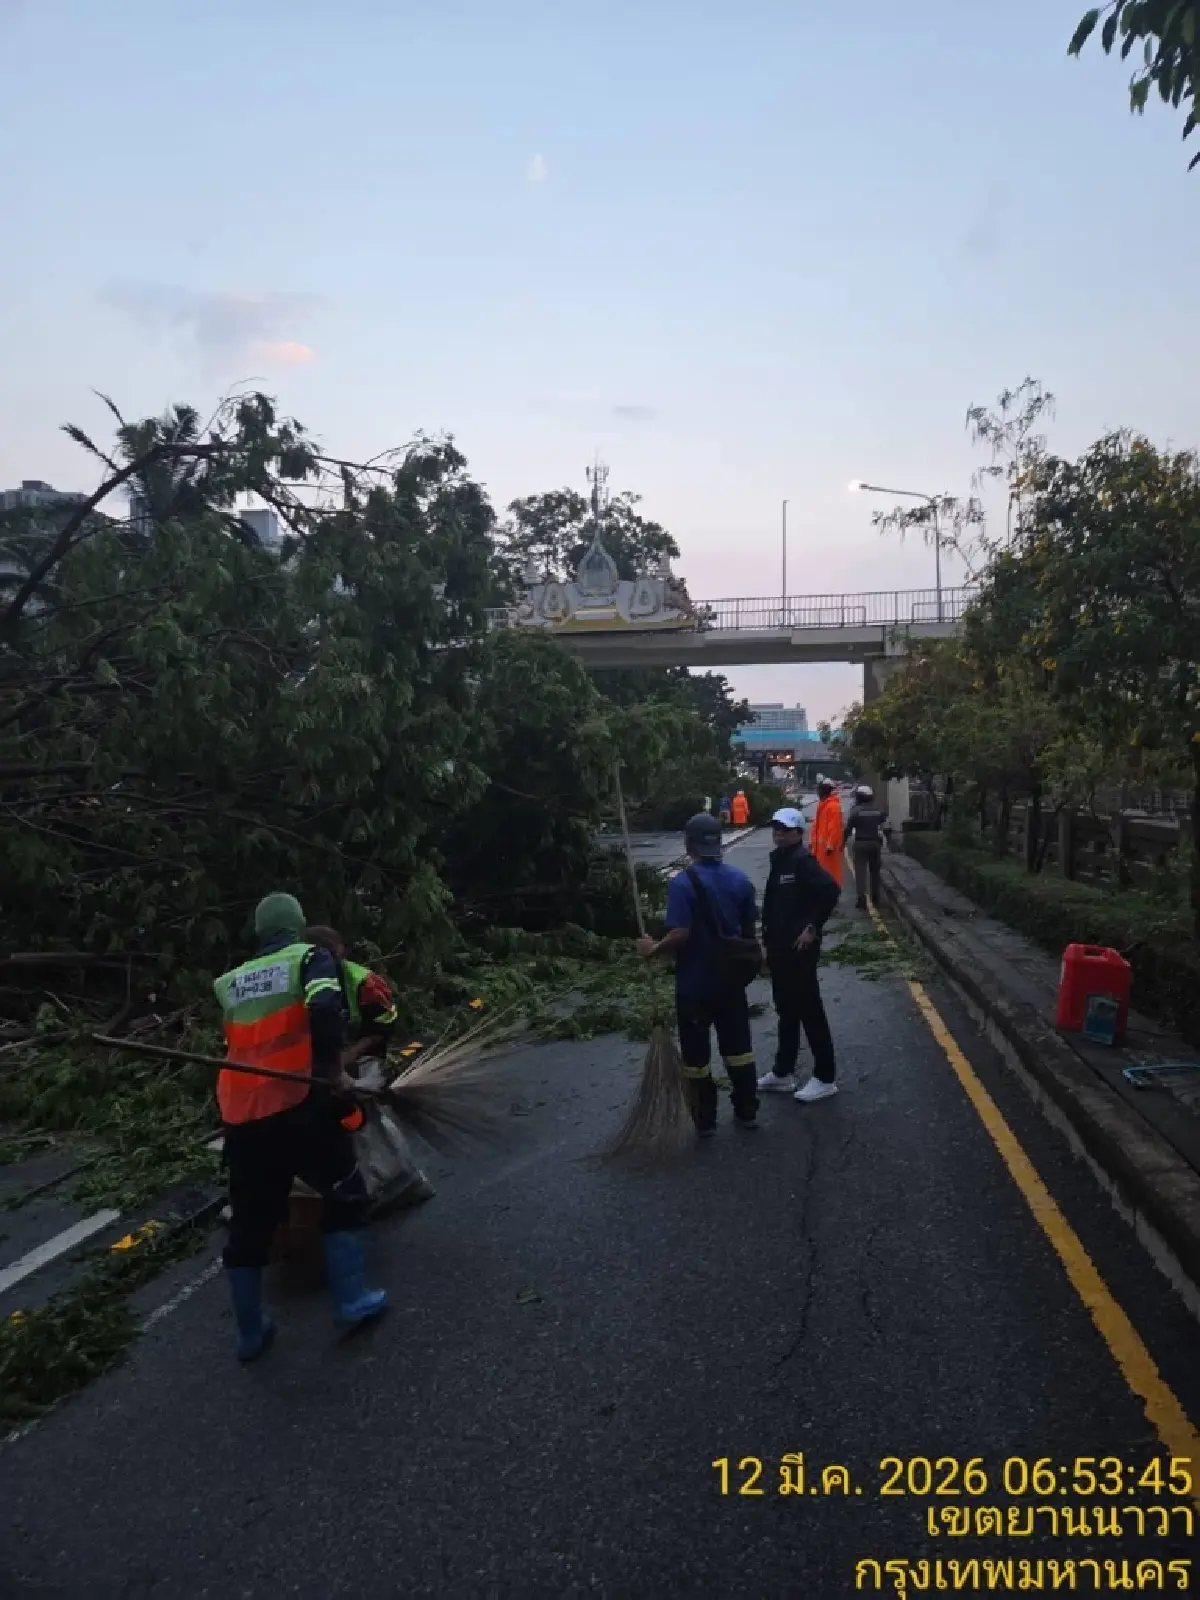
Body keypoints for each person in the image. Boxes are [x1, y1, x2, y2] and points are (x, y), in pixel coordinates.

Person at [214, 892, 388, 1361]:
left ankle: (251, 1334)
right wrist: (333, 1071)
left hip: (242, 1110)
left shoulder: (230, 981)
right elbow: (326, 1011)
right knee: (344, 1191)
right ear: (297, 925)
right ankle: (351, 1301)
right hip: (299, 1101)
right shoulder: (310, 958)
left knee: (250, 1221)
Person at [636, 811, 760, 1135]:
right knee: (739, 1049)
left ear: (689, 844)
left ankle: (704, 1120)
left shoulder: (683, 884)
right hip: (731, 982)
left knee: (696, 1059)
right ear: (718, 843)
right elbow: (749, 931)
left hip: (695, 986)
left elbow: (680, 934)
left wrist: (652, 950)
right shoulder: (739, 880)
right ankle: (747, 1109)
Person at [758, 808, 841, 1102]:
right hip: (780, 949)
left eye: (785, 828)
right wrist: (766, 942)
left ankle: (825, 1077)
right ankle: (783, 1072)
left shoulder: (801, 861)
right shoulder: (780, 860)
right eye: (776, 827)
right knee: (786, 1010)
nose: (779, 832)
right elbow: (773, 908)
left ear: (797, 832)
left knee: (809, 1011)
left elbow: (830, 889)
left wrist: (812, 927)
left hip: (799, 951)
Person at [845, 784, 892, 910]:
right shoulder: (879, 811)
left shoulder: (855, 812)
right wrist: (890, 841)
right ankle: (876, 898)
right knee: (875, 872)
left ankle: (861, 900)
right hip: (875, 844)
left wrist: (842, 842)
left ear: (859, 798)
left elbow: (848, 830)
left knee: (860, 873)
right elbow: (887, 827)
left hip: (860, 843)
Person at [809, 776, 845, 888]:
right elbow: (817, 826)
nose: (818, 792)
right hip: (820, 848)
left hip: (828, 849)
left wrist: (830, 845)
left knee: (831, 872)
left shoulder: (833, 806)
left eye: (820, 789)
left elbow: (834, 827)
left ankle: (833, 892)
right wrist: (812, 842)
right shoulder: (823, 805)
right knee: (823, 873)